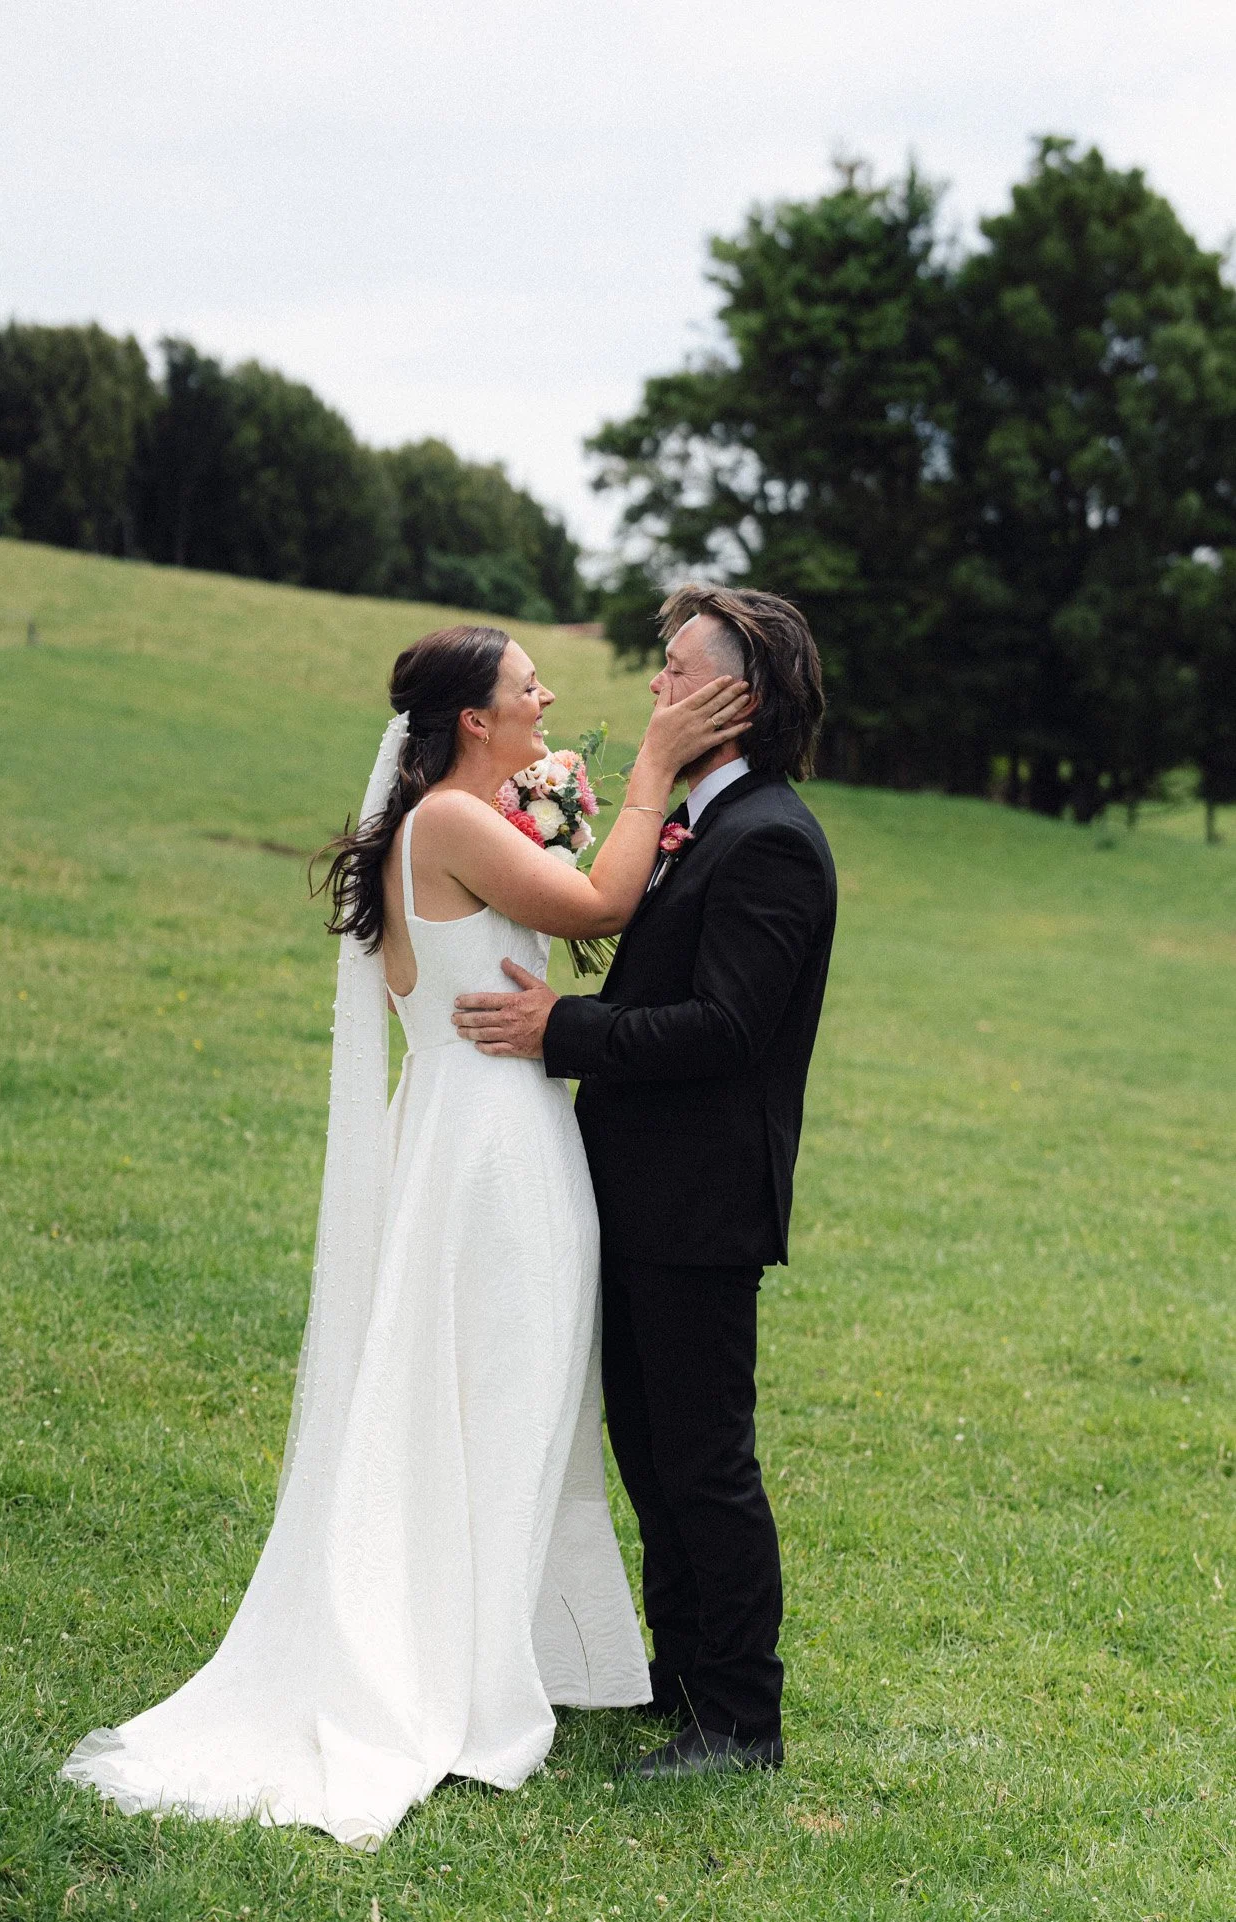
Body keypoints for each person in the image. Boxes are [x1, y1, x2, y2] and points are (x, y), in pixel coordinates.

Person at [60, 622, 750, 1848]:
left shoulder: (453, 821)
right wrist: (651, 768)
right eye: (527, 684)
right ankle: (456, 1666)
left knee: (502, 1398)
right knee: (500, 1397)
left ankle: (502, 1641)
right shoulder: (450, 822)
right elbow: (601, 902)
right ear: (475, 720)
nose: (547, 695)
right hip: (493, 1149)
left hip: (475, 1131)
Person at [453, 586, 836, 1778]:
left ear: (738, 700)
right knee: (650, 1449)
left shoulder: (769, 838)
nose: (655, 687)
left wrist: (562, 1028)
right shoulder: (699, 821)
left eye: (677, 670)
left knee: (704, 1459)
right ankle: (683, 1676)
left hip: (700, 1203)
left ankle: (740, 1719)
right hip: (638, 1189)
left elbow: (725, 1028)